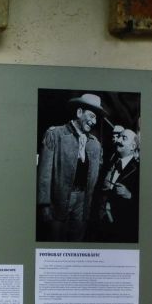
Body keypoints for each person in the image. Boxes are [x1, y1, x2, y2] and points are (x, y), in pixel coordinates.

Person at [37, 93, 105, 241]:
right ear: (79, 112)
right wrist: (44, 205)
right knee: (56, 242)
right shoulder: (55, 135)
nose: (94, 121)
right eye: (92, 116)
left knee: (77, 242)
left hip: (83, 203)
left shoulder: (95, 145)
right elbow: (44, 175)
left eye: (96, 118)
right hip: (58, 202)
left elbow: (96, 179)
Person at [97, 128, 140, 242]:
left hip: (121, 226)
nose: (118, 140)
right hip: (101, 222)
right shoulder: (109, 162)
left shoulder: (139, 169)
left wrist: (130, 195)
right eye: (119, 136)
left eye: (123, 138)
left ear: (132, 146)